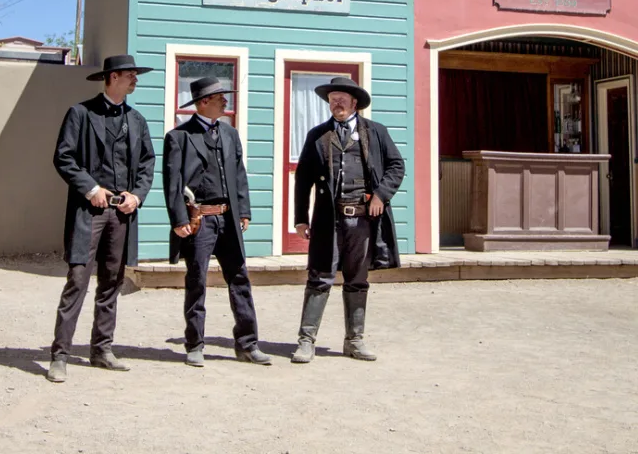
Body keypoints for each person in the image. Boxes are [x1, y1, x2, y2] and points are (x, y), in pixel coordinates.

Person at [46, 54, 156, 383]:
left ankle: (102, 350)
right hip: (88, 211)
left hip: (121, 213)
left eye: (135, 74)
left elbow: (148, 164)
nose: (135, 79)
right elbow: (63, 157)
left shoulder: (137, 120)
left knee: (112, 282)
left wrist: (137, 195)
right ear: (111, 78)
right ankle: (60, 355)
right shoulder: (80, 114)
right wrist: (90, 188)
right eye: (129, 75)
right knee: (78, 280)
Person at [291, 76, 404, 364]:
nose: (336, 104)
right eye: (332, 100)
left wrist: (380, 195)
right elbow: (303, 178)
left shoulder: (375, 132)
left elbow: (396, 165)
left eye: (341, 99)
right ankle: (306, 341)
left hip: (363, 221)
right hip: (329, 220)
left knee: (357, 280)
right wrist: (301, 218)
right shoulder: (317, 135)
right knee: (319, 277)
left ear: (355, 102)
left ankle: (354, 340)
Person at [163, 76, 271, 368]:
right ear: (203, 102)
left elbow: (239, 174)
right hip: (199, 221)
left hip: (229, 218)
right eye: (220, 97)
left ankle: (248, 345)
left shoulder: (230, 134)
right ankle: (195, 345)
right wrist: (178, 219)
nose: (226, 101)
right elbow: (172, 183)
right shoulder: (179, 137)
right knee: (197, 281)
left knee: (240, 279)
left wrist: (244, 210)